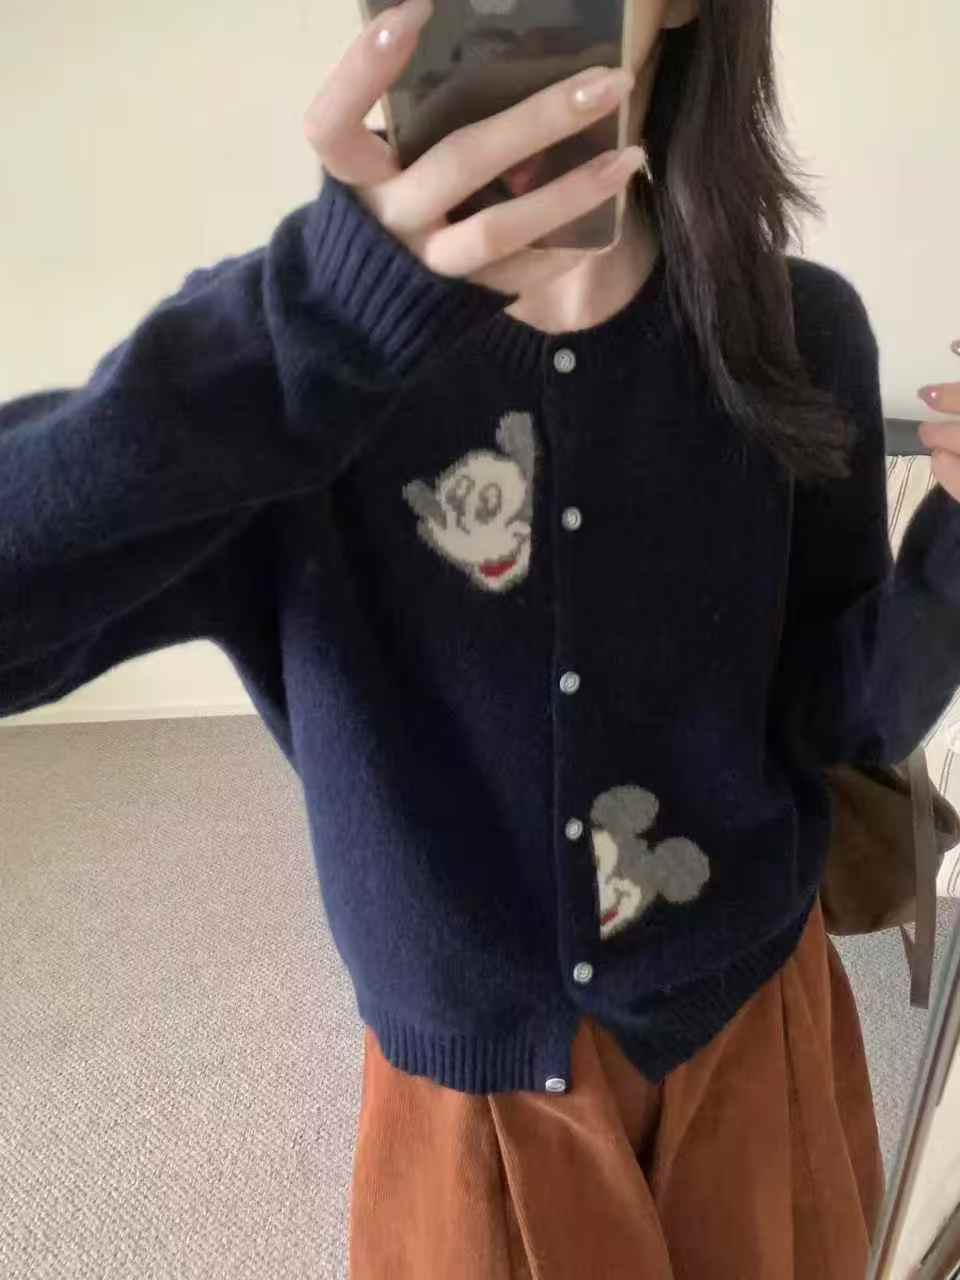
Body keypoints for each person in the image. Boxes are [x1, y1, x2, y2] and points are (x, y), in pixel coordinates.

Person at [2, 0, 960, 1275]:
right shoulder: (289, 379)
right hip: (467, 1104)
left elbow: (840, 715)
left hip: (747, 1031)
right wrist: (312, 330)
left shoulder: (799, 331)